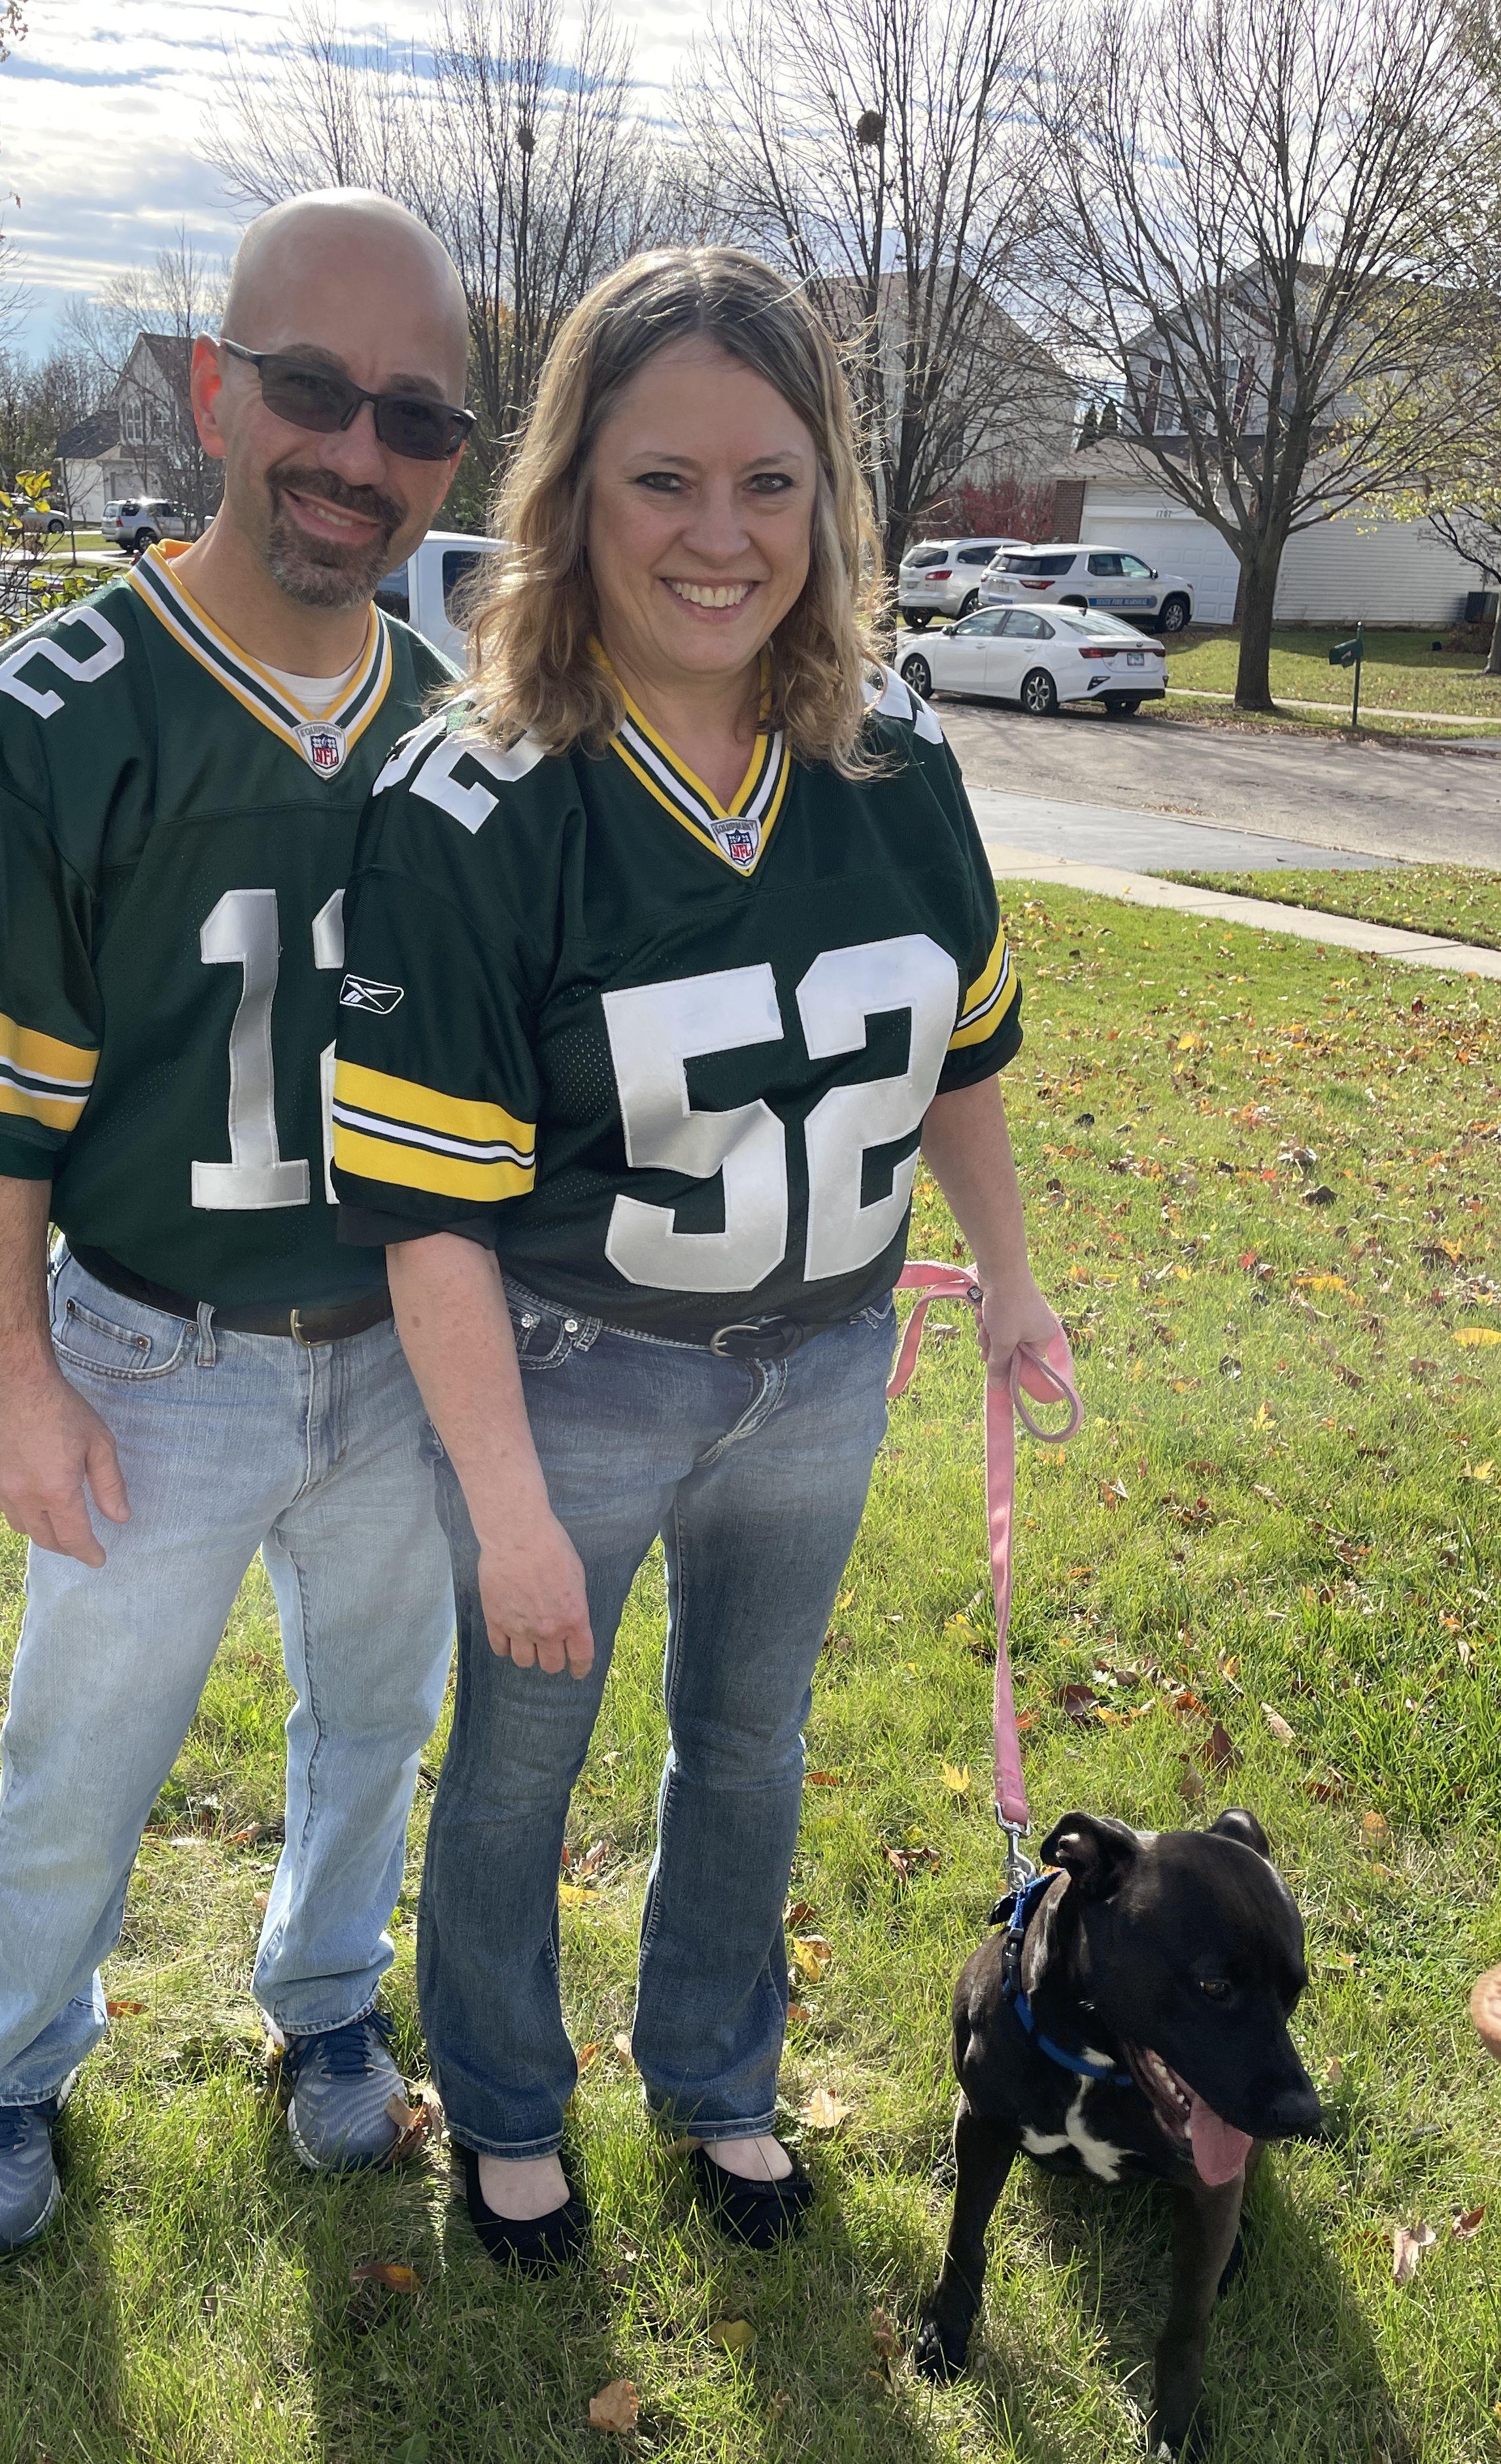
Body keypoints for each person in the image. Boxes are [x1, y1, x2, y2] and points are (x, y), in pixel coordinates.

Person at [329, 244, 1064, 2266]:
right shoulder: (482, 804)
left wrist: (1008, 1274)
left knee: (749, 1743)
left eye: (768, 479)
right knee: (521, 1760)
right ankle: (501, 2100)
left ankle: (716, 2079)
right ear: (571, 491)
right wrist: (505, 1505)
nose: (720, 535)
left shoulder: (896, 761)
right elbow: (428, 1208)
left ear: (830, 495)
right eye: (663, 480)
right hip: (580, 1368)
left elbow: (963, 1049)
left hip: (826, 1360)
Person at [0, 191, 482, 2256]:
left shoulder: (465, 730)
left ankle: (322, 2005)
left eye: (414, 417)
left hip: (404, 1351)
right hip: (153, 1343)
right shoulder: (46, 716)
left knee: (377, 1716)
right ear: (218, 391)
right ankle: (14, 2063)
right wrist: (13, 1380)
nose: (356, 452)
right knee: (86, 1747)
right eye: (312, 390)